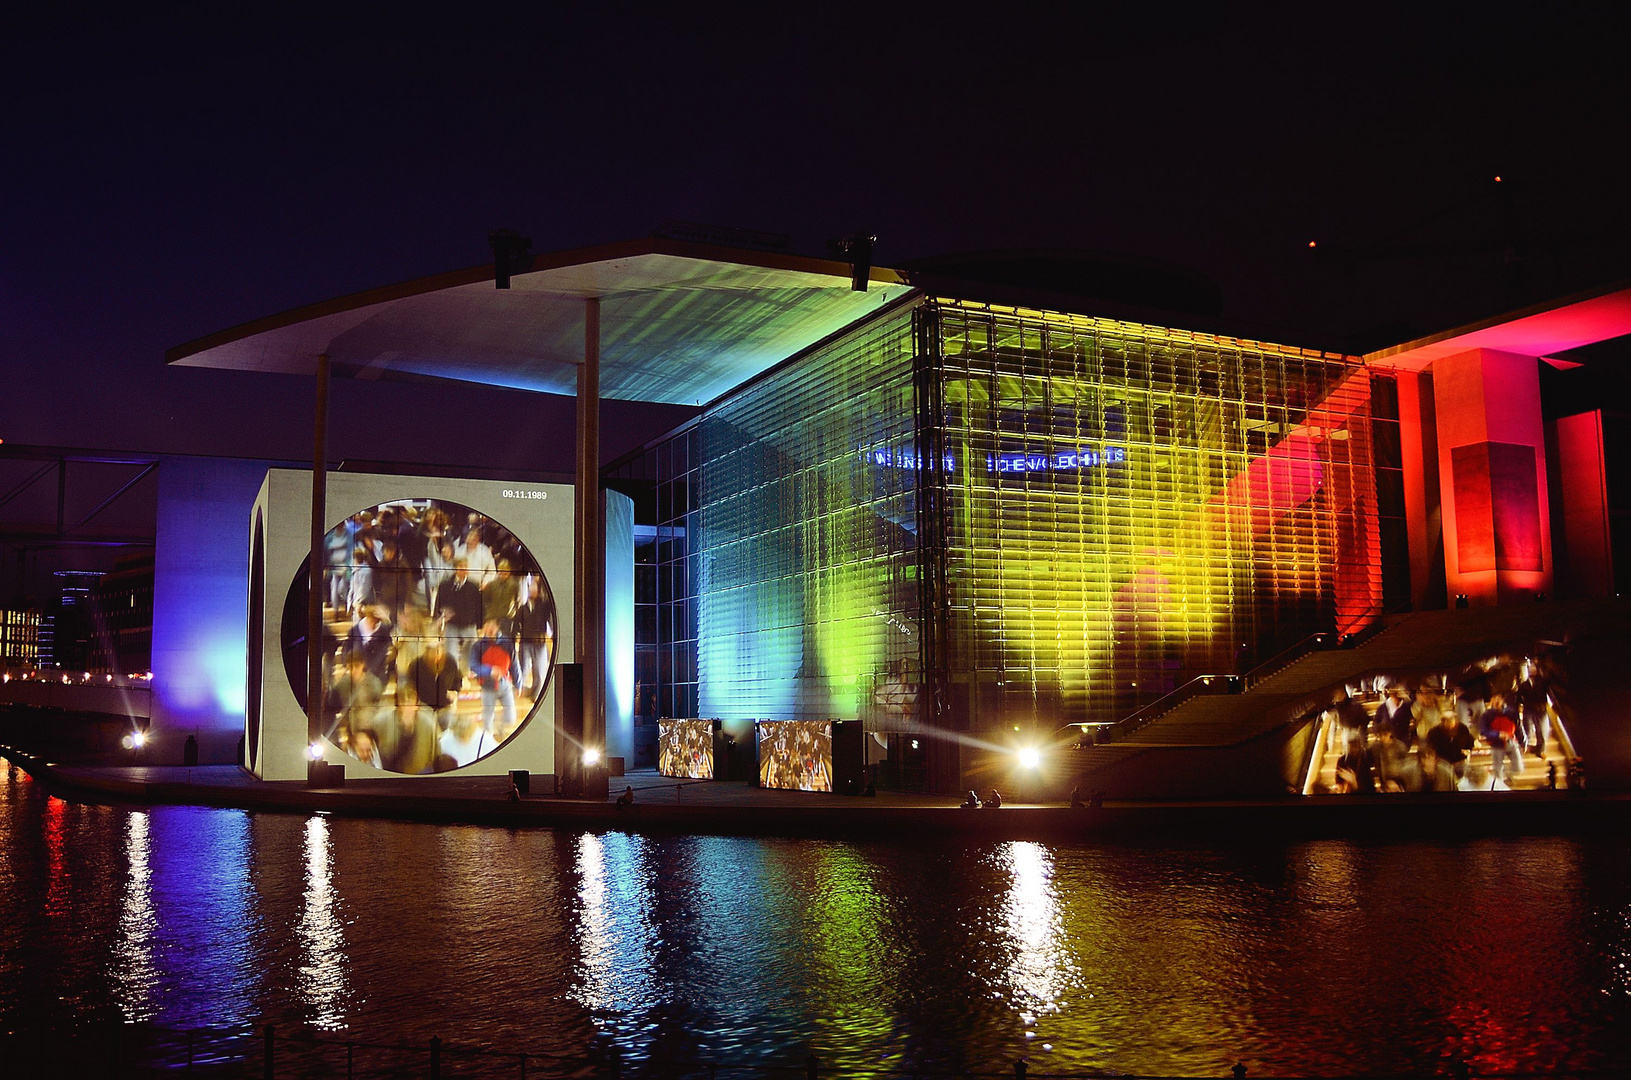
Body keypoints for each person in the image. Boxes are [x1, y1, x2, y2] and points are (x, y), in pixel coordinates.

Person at [469, 620, 518, 738]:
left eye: (492, 625)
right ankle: (489, 741)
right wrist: (490, 670)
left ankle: (500, 728)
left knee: (511, 718)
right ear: (484, 627)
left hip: (505, 685)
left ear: (497, 626)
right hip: (487, 686)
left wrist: (518, 684)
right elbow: (473, 666)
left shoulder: (507, 643)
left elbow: (515, 664)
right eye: (487, 625)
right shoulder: (477, 646)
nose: (490, 628)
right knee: (487, 722)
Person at [434, 560, 484, 669]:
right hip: (451, 624)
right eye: (461, 566)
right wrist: (439, 619)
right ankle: (453, 676)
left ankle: (464, 676)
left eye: (466, 566)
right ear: (456, 568)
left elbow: (479, 607)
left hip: (469, 625)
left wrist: (480, 626)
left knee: (470, 654)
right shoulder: (445, 585)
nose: (464, 569)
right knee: (451, 654)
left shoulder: (473, 586)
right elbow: (438, 605)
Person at [378, 685, 438, 774]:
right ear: (397, 705)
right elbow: (381, 753)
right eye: (403, 703)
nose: (406, 707)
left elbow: (435, 754)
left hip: (420, 774)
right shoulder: (382, 722)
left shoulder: (428, 724)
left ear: (417, 704)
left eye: (410, 703)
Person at [406, 637, 463, 729]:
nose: (435, 654)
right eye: (432, 651)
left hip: (445, 706)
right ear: (427, 652)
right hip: (425, 706)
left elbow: (457, 680)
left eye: (438, 651)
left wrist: (455, 692)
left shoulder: (450, 661)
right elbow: (410, 686)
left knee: (449, 726)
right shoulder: (416, 665)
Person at [514, 575, 554, 699]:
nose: (532, 592)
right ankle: (521, 691)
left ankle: (536, 694)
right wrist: (515, 635)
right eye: (530, 590)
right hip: (525, 641)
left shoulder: (545, 606)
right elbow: (516, 624)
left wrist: (552, 633)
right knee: (523, 668)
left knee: (539, 670)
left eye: (534, 589)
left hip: (539, 642)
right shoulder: (522, 608)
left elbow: (551, 620)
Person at [1480, 692, 1524, 787]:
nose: (1496, 700)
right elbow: (1483, 731)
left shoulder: (1511, 712)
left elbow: (1519, 727)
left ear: (1503, 699)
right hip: (1496, 745)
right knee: (1498, 773)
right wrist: (1497, 734)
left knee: (1519, 768)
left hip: (1511, 742)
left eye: (1499, 698)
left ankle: (1508, 776)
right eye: (1494, 698)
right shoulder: (1487, 715)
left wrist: (1523, 742)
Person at [344, 605, 394, 686]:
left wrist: (386, 618)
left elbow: (381, 655)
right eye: (371, 621)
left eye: (376, 622)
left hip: (375, 674)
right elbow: (346, 649)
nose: (373, 624)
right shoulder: (354, 631)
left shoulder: (383, 631)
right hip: (355, 672)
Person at [1426, 710, 1475, 781]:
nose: (1451, 726)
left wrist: (1467, 750)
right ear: (1443, 722)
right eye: (1448, 722)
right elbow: (1430, 748)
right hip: (1442, 762)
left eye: (1452, 722)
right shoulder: (1434, 732)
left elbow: (1469, 742)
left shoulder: (1463, 729)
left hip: (1459, 761)